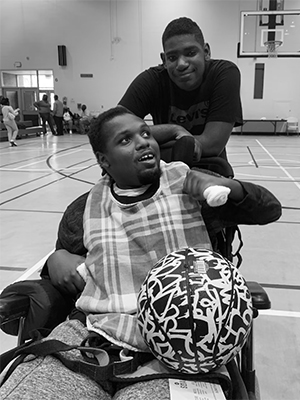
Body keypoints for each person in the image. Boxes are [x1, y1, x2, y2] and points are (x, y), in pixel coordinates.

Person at [0, 107, 281, 399]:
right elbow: (62, 271)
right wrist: (55, 259)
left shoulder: (191, 186)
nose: (143, 141)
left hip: (185, 344)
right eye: (126, 140)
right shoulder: (83, 209)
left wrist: (228, 186)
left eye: (145, 133)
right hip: (94, 337)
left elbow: (269, 209)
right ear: (103, 160)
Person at [119, 17, 243, 164]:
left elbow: (212, 144)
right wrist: (173, 130)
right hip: (163, 171)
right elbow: (113, 128)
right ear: (164, 60)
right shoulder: (152, 80)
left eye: (190, 53)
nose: (181, 64)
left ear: (206, 52)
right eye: (172, 57)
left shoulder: (224, 73)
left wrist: (144, 140)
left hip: (211, 169)